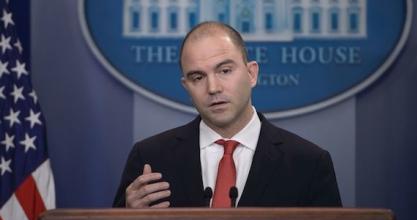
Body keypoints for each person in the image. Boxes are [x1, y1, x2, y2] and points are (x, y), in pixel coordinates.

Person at [113, 21, 341, 208]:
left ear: (252, 74)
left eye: (225, 70)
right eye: (198, 77)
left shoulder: (308, 163)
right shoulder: (150, 159)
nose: (213, 88)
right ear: (186, 86)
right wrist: (126, 219)